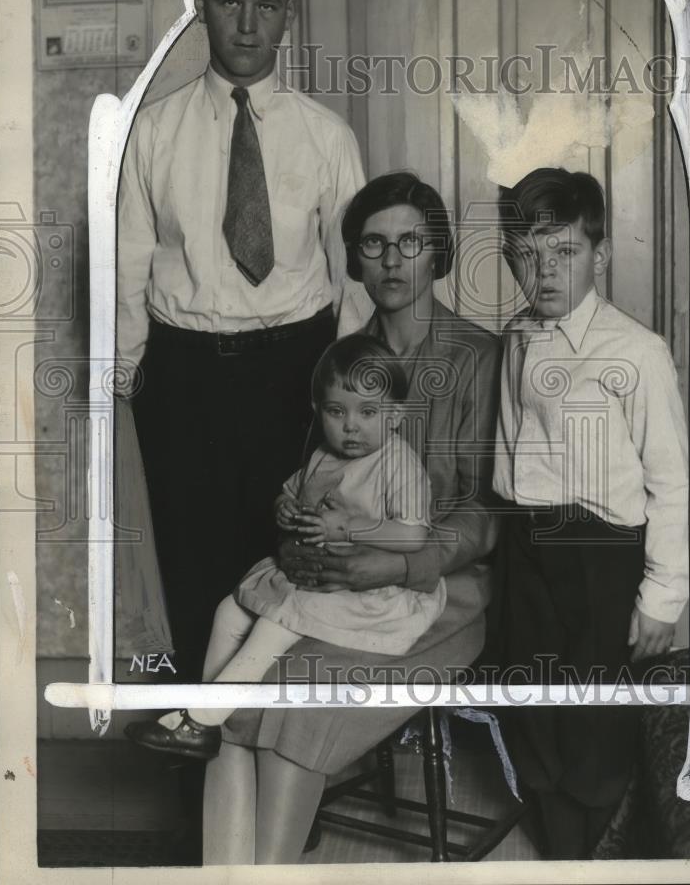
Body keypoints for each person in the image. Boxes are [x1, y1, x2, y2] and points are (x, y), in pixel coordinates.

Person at [201, 171, 502, 864]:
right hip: (328, 582)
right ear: (354, 258)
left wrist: (399, 563)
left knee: (292, 690)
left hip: (437, 593)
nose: (392, 260)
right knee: (228, 672)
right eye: (374, 244)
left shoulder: (477, 358)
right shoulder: (340, 361)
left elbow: (485, 511)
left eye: (409, 243)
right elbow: (316, 485)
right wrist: (299, 541)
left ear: (438, 254)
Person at [116, 0, 365, 682]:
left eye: (266, 5)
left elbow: (352, 279)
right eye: (230, 4)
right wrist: (125, 380)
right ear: (200, 4)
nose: (248, 25)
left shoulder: (326, 138)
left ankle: (276, 762)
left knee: (286, 562)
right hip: (184, 373)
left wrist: (350, 389)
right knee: (192, 563)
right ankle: (199, 745)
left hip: (295, 370)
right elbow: (127, 266)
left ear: (287, 10)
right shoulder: (152, 135)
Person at [124, 334, 447, 758]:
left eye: (368, 412)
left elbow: (413, 535)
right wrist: (284, 508)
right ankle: (206, 721)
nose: (351, 425)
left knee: (274, 623)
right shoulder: (323, 456)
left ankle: (199, 719)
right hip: (313, 578)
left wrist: (346, 528)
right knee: (229, 610)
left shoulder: (398, 463)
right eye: (337, 412)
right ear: (318, 412)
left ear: (395, 416)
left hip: (368, 592)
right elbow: (293, 493)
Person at [491, 167, 689, 858]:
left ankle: (596, 855)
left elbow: (671, 482)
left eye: (564, 252)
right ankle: (559, 853)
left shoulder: (635, 353)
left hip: (601, 554)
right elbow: (513, 452)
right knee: (533, 707)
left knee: (594, 720)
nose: (544, 271)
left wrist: (661, 599)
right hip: (526, 546)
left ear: (598, 256)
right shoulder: (515, 337)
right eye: (527, 253)